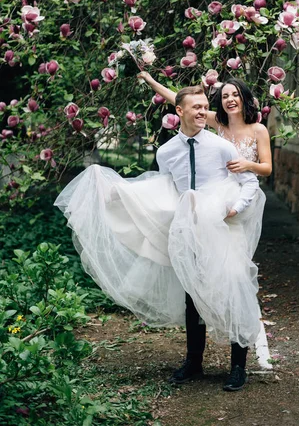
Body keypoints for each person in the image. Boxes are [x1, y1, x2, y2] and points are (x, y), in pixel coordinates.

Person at [54, 85, 267, 393]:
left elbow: (248, 182)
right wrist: (121, 194)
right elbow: (166, 187)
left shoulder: (222, 147)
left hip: (224, 227)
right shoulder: (166, 153)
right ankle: (194, 362)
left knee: (234, 287)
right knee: (192, 295)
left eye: (205, 106)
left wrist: (236, 208)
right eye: (195, 107)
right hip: (189, 230)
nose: (201, 112)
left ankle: (237, 366)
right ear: (179, 111)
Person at [138, 72, 272, 178]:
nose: (230, 99)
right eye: (225, 96)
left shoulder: (258, 130)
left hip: (246, 190)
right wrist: (151, 81)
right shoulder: (217, 121)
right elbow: (180, 101)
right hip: (219, 189)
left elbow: (267, 168)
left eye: (235, 95)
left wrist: (248, 165)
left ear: (244, 98)